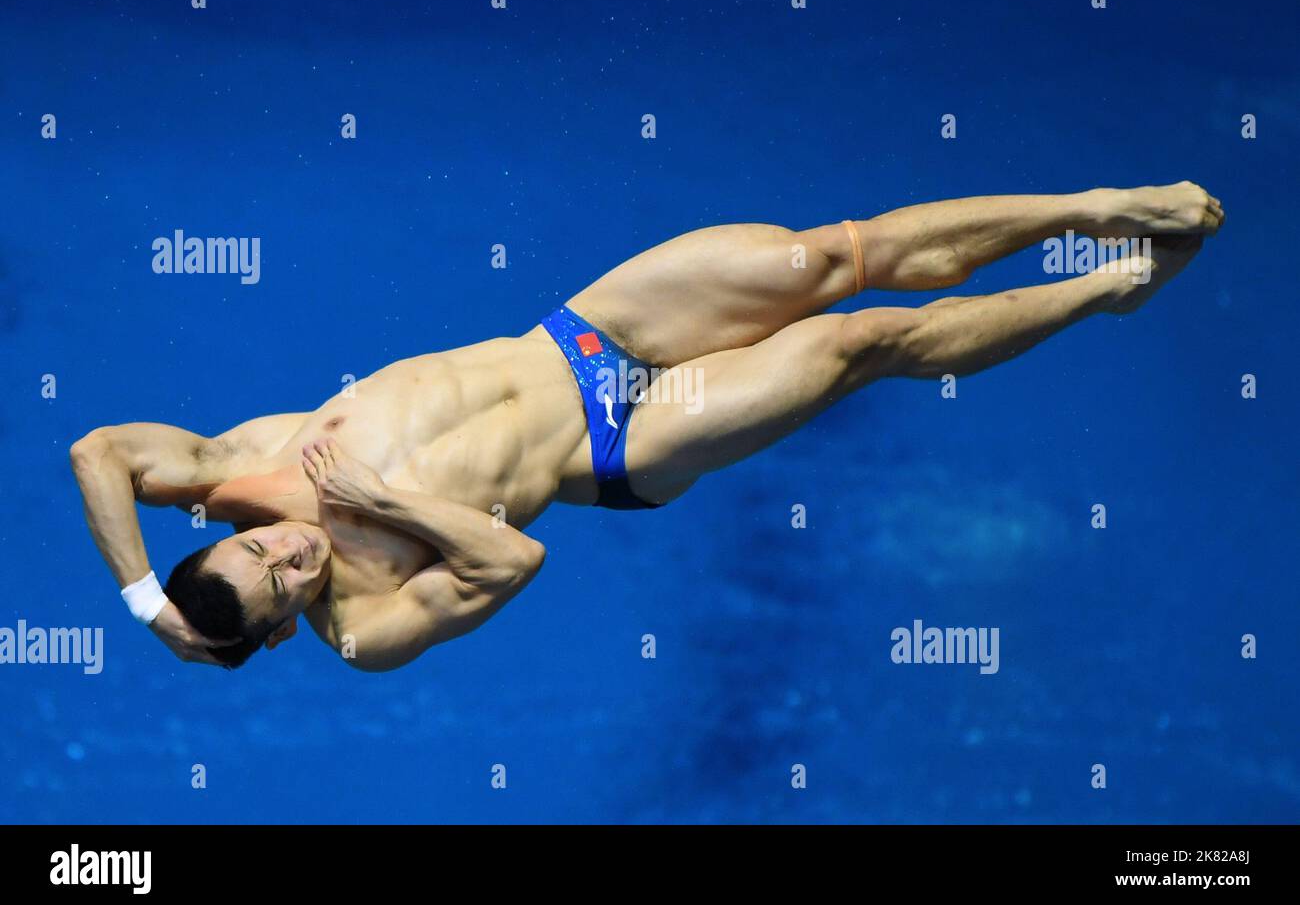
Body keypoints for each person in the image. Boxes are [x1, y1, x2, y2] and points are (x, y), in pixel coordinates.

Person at [71, 182, 1223, 670]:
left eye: (259, 549)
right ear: (281, 631)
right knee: (861, 344)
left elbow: (98, 452)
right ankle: (1107, 287)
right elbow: (515, 558)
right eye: (281, 581)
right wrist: (384, 507)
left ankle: (1098, 208)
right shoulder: (362, 626)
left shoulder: (238, 469)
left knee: (829, 255)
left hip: (575, 335)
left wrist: (148, 607)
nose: (290, 554)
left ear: (220, 531)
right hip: (620, 446)